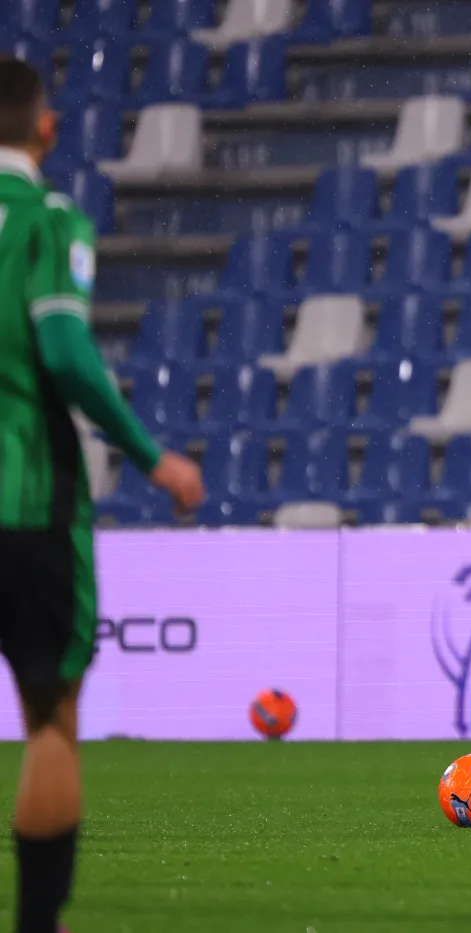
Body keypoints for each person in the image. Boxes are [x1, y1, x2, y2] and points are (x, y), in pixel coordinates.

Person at [0, 58, 206, 932]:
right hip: (25, 501)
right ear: (46, 129)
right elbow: (66, 353)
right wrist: (154, 458)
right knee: (51, 715)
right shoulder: (46, 221)